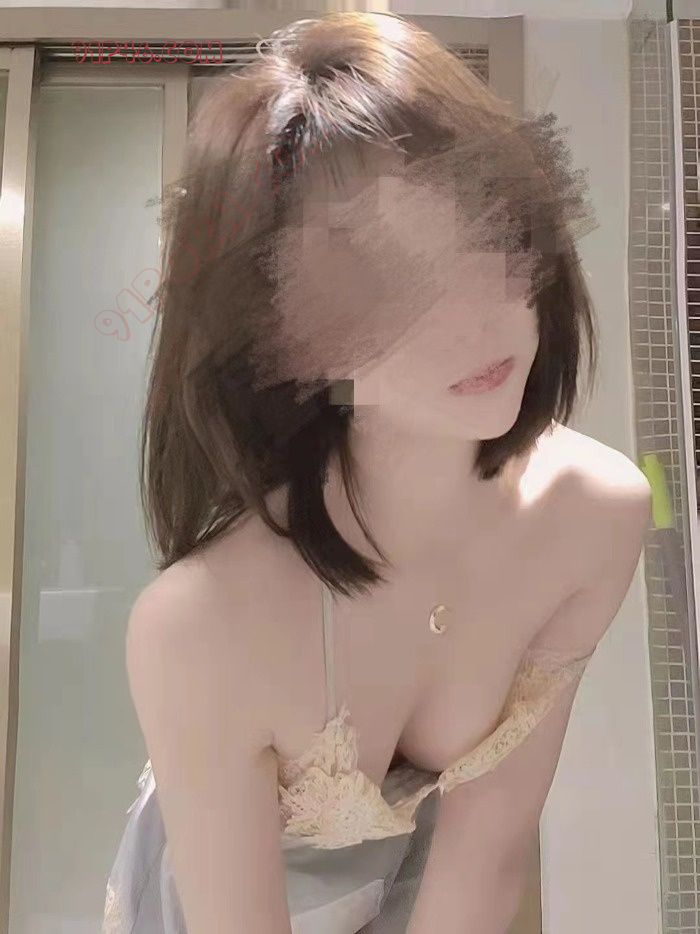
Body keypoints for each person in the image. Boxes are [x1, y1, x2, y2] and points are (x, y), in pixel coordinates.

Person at [102, 11, 651, 934]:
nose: (479, 317)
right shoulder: (201, 625)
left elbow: (489, 847)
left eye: (493, 241)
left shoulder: (595, 513)